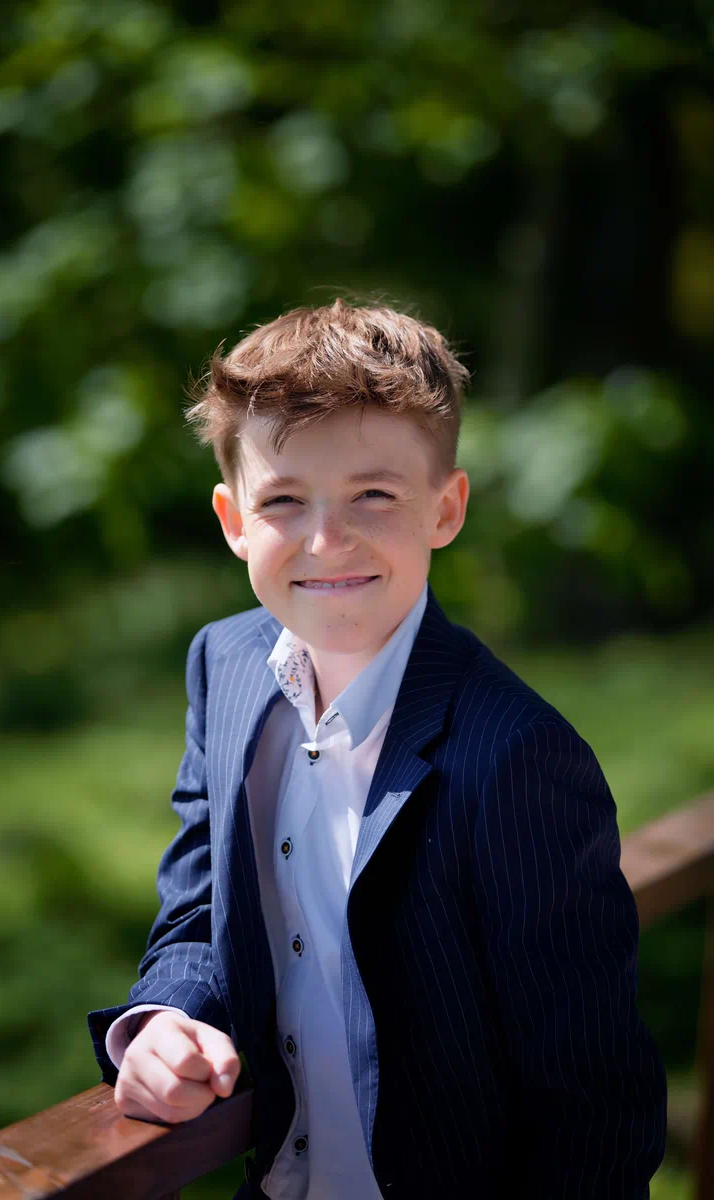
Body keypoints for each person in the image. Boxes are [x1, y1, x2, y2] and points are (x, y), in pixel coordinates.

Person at [87, 299, 667, 1199]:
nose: (327, 541)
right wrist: (165, 1017)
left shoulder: (518, 758)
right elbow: (199, 907)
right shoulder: (223, 666)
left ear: (446, 508)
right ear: (234, 520)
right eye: (284, 500)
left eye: (374, 495)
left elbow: (593, 1104)